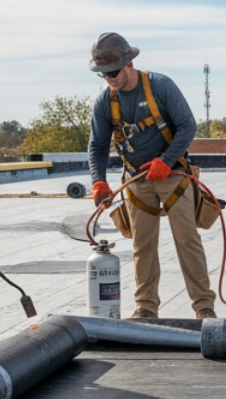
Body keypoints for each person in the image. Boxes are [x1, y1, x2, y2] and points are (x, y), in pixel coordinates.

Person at [86, 33, 215, 320]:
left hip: (173, 177)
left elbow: (187, 127)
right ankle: (145, 311)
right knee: (142, 247)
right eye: (103, 74)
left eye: (114, 72)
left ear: (129, 63)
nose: (110, 78)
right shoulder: (105, 103)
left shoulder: (159, 86)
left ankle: (204, 309)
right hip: (136, 180)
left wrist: (166, 162)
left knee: (187, 241)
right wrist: (98, 181)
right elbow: (96, 146)